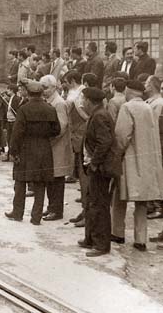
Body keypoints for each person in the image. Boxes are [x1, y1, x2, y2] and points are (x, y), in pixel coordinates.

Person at [112, 80, 163, 251]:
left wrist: (116, 156)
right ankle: (140, 239)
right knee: (141, 202)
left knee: (119, 197)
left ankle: (118, 233)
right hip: (147, 160)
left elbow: (121, 136)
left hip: (129, 160)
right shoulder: (149, 107)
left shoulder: (127, 108)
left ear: (129, 91)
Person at [5, 80, 61, 225]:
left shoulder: (24, 109)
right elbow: (57, 130)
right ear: (41, 93)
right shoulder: (50, 109)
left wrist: (13, 150)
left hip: (25, 148)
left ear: (29, 94)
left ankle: (17, 212)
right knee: (40, 183)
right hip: (44, 148)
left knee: (20, 181)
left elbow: (17, 132)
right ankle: (36, 217)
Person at [78, 87, 119, 257]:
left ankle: (101, 245)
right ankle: (90, 238)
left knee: (99, 205)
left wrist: (94, 163)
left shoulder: (100, 115)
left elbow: (105, 142)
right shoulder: (97, 114)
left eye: (83, 100)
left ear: (89, 101)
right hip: (96, 167)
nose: (82, 103)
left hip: (102, 169)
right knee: (91, 203)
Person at [40, 75, 74, 221]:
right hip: (51, 146)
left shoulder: (59, 103)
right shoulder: (49, 101)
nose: (43, 90)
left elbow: (61, 127)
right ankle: (51, 207)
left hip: (57, 147)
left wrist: (47, 140)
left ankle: (56, 210)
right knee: (50, 179)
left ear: (54, 87)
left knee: (57, 180)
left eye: (45, 87)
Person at [64, 70, 89, 225]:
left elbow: (84, 116)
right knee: (81, 174)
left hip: (80, 137)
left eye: (66, 81)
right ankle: (84, 209)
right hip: (77, 137)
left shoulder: (77, 94)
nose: (64, 85)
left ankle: (87, 213)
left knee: (84, 174)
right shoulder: (75, 93)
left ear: (72, 80)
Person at [144, 75, 163, 219]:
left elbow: (154, 125)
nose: (144, 86)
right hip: (149, 144)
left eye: (146, 83)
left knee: (157, 174)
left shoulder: (158, 103)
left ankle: (158, 207)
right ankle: (150, 204)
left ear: (151, 86)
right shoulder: (150, 102)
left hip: (155, 144)